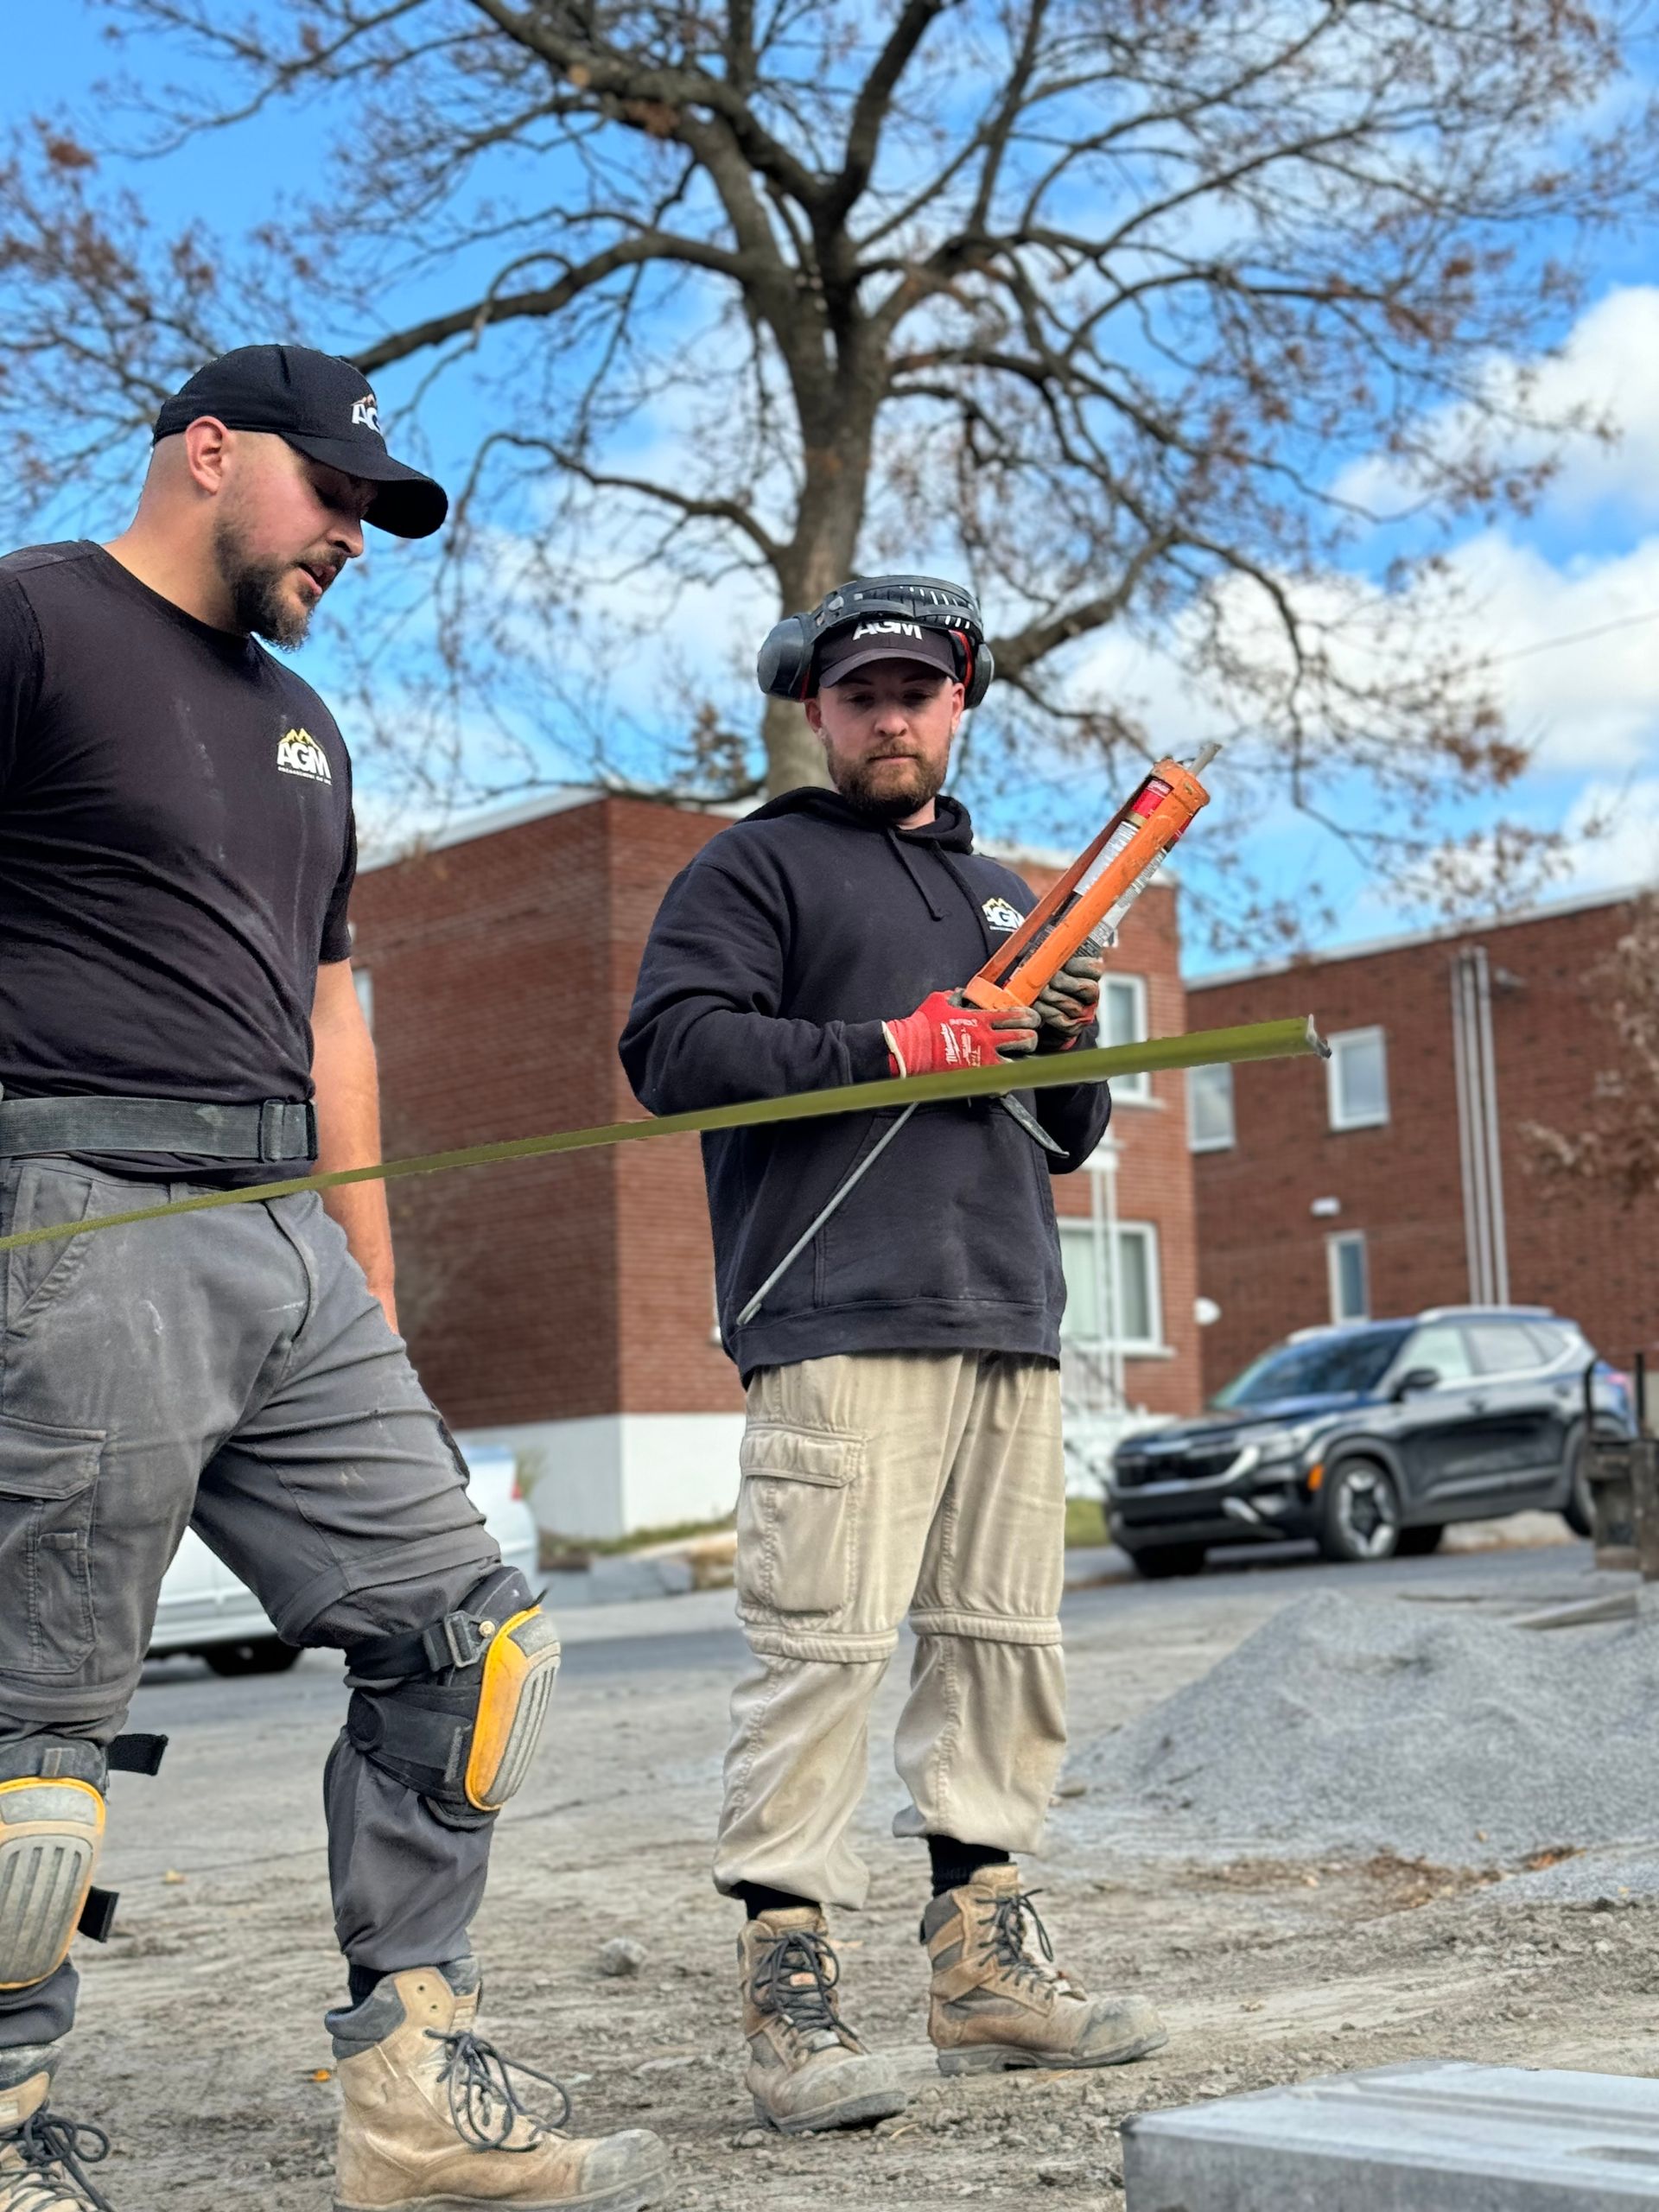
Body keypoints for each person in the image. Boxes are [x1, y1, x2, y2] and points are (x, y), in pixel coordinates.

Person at [0, 346, 667, 2212]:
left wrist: (368, 1291)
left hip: (288, 1234)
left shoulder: (309, 726)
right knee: (30, 1735)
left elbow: (328, 1012)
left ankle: (410, 2084)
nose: (355, 535)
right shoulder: (33, 619)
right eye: (334, 492)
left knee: (474, 1646)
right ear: (209, 451)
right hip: (75, 1210)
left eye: (377, 511)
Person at [620, 576, 1168, 2136]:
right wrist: (895, 1047)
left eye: (919, 691)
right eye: (862, 694)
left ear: (962, 702)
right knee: (821, 1655)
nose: (891, 717)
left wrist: (1063, 1042)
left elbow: (1068, 1134)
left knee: (1004, 1646)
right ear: (818, 709)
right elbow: (674, 1054)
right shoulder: (754, 870)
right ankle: (790, 1988)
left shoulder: (1011, 895)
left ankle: (982, 1964)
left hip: (1005, 1310)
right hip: (838, 1317)